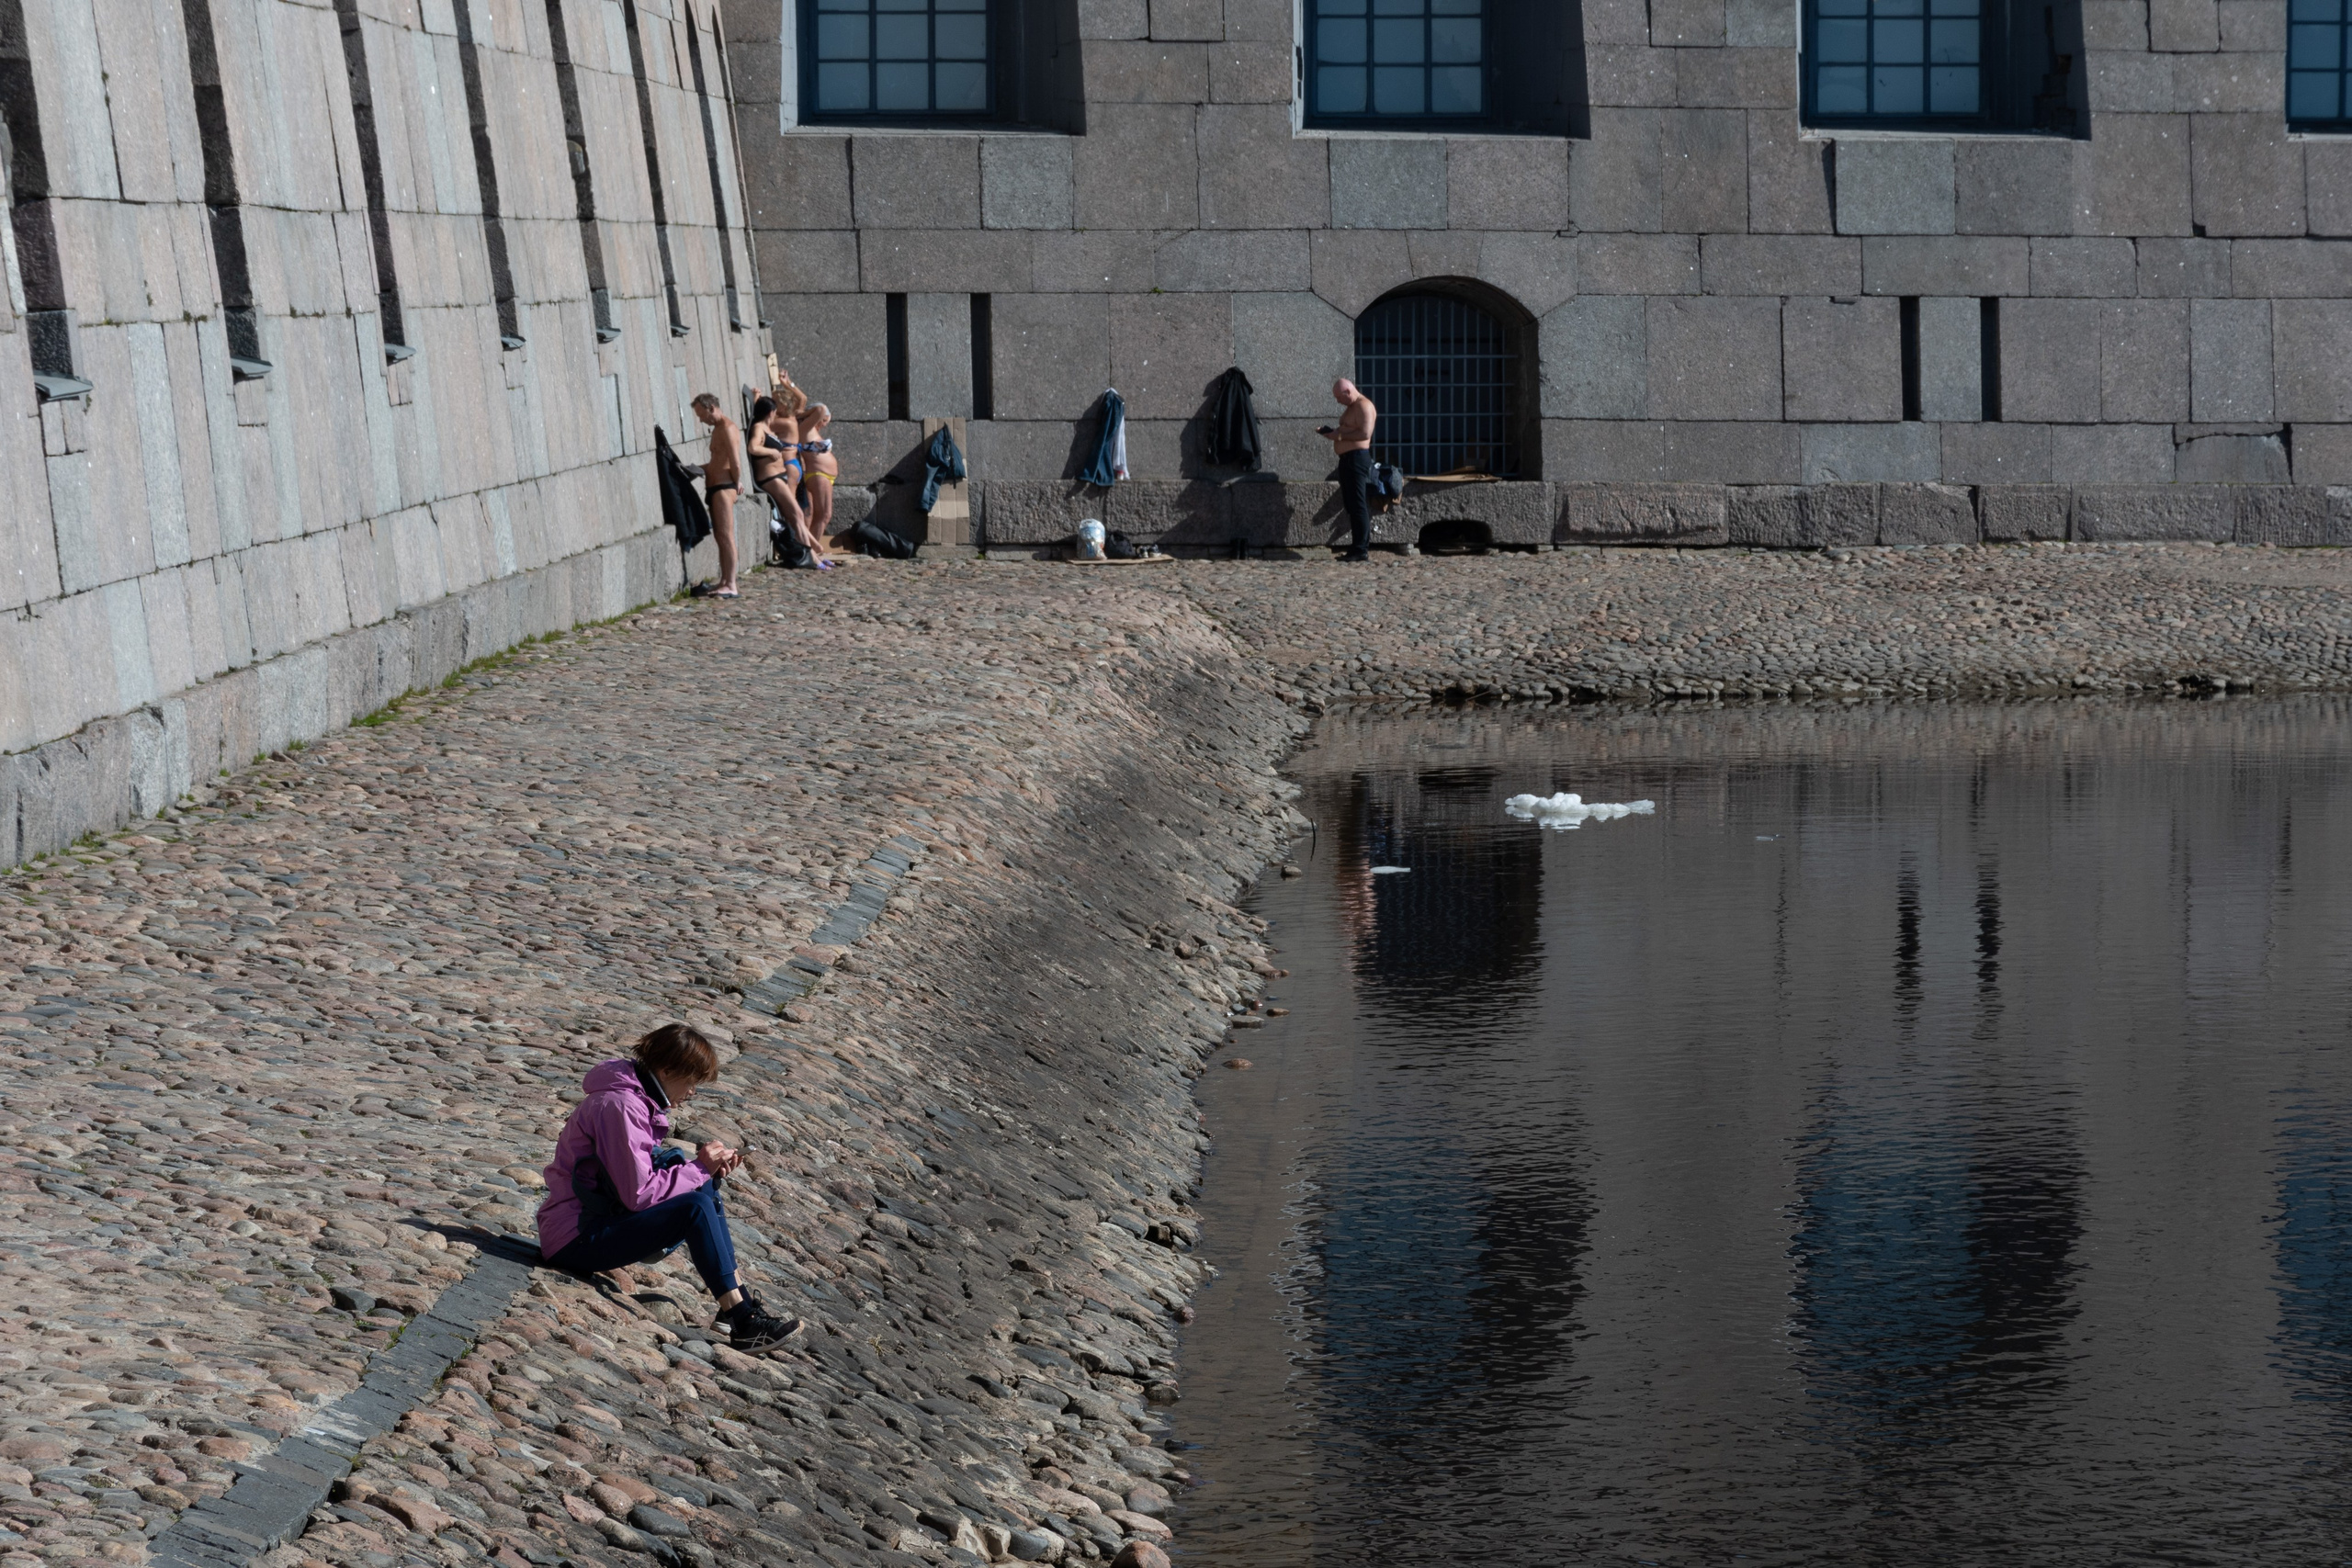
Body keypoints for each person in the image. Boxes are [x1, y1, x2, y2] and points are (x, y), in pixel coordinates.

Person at [537, 1023, 803, 1353]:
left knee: (701, 1188)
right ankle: (743, 1319)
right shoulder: (622, 1107)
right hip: (574, 1239)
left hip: (595, 1221)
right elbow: (638, 1195)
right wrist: (698, 1168)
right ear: (665, 1070)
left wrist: (705, 1174)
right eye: (691, 1082)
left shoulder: (633, 1098)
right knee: (695, 1205)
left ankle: (735, 1306)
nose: (692, 1092)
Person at [1318, 378, 1378, 562]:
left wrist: (1340, 435)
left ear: (1348, 391)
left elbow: (1365, 433)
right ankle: (1356, 547)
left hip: (1357, 458)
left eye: (1339, 397)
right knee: (1352, 504)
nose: (1338, 401)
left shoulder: (1364, 406)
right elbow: (1348, 430)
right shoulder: (1352, 407)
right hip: (1347, 459)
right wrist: (1333, 433)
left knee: (1358, 504)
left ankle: (1361, 549)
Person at [689, 393, 743, 598]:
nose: (701, 420)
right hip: (715, 486)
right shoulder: (718, 429)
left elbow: (735, 462)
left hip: (723, 488)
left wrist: (738, 482)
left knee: (727, 536)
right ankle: (724, 580)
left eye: (701, 415)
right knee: (720, 536)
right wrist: (694, 469)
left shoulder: (728, 429)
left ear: (711, 407)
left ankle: (731, 584)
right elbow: (717, 463)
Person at [799, 402, 839, 556]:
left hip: (823, 476)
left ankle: (809, 550)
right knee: (824, 515)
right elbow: (821, 408)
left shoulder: (811, 431)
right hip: (818, 474)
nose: (823, 425)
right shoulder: (806, 428)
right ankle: (812, 553)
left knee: (815, 515)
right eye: (824, 421)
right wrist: (803, 415)